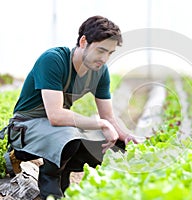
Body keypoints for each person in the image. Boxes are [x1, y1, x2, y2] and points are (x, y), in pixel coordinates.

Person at [0, 15, 138, 199]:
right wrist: (100, 123)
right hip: (26, 125)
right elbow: (56, 116)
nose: (104, 58)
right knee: (68, 135)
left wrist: (127, 137)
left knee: (115, 145)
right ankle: (50, 185)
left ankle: (64, 173)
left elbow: (109, 118)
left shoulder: (100, 72)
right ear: (83, 42)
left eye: (110, 53)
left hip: (54, 130)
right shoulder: (53, 60)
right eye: (101, 50)